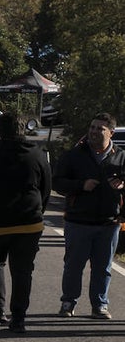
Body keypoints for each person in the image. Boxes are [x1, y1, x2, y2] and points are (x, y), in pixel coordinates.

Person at [0, 113, 52, 333]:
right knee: (22, 271)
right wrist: (39, 211)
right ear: (23, 129)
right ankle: (19, 318)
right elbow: (46, 188)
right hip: (29, 223)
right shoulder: (37, 155)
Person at [52, 112, 125, 319]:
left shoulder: (121, 156)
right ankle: (68, 302)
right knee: (73, 265)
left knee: (103, 268)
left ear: (110, 132)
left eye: (99, 128)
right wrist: (80, 185)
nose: (93, 132)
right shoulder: (74, 155)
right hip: (78, 221)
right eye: (92, 127)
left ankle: (99, 305)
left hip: (109, 222)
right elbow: (57, 182)